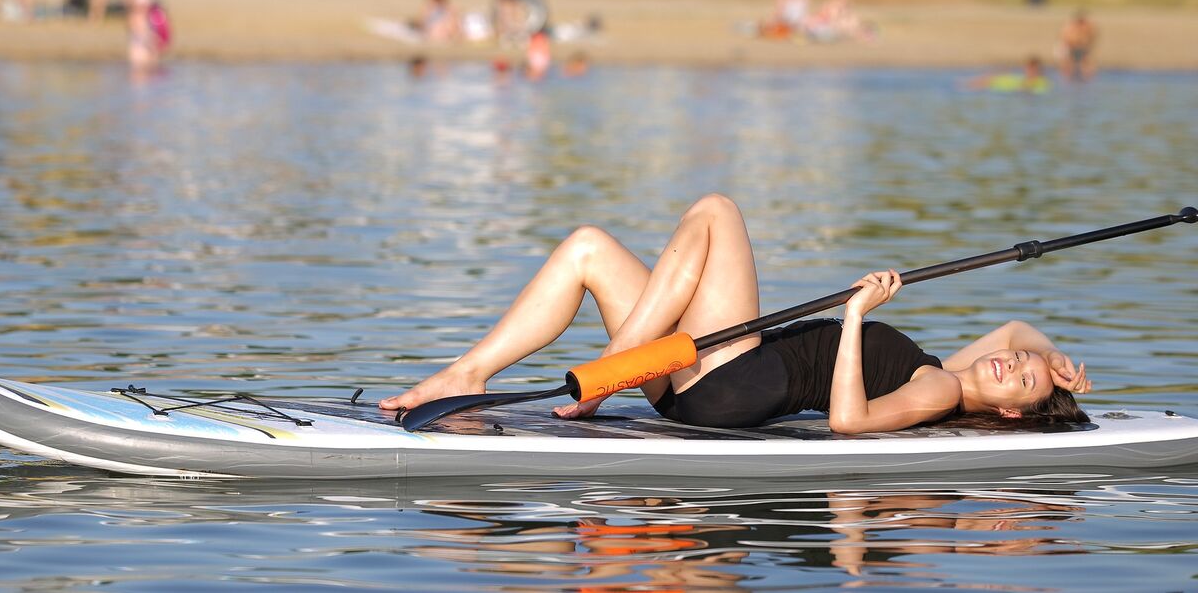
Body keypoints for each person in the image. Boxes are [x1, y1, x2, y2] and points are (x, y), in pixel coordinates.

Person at [380, 194, 1090, 433]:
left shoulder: (936, 388)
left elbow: (849, 420)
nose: (1013, 363)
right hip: (702, 376)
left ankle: (606, 375)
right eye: (1020, 364)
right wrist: (1052, 357)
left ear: (1007, 412)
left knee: (718, 210)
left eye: (1021, 382)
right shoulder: (962, 368)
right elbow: (1015, 329)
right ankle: (466, 372)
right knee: (589, 248)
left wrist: (854, 315)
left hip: (738, 380)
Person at [968, 56, 1051, 94]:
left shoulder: (1042, 82)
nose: (1029, 71)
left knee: (987, 83)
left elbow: (1026, 89)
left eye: (1032, 69)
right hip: (998, 86)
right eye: (1028, 68)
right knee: (988, 79)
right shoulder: (1021, 78)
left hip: (1001, 89)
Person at [1059, 9, 1097, 82]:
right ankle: (1067, 79)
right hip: (1070, 48)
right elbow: (1065, 39)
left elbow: (1092, 38)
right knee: (1068, 66)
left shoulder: (1088, 27)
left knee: (1087, 66)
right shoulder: (1069, 27)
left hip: (1082, 49)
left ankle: (1088, 80)